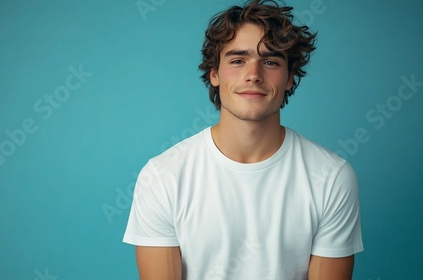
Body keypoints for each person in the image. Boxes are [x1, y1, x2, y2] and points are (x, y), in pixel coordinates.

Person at [123, 0, 364, 279]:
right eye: (238, 60)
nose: (253, 75)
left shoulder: (332, 177)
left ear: (288, 78)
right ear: (215, 74)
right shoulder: (162, 176)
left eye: (271, 61)